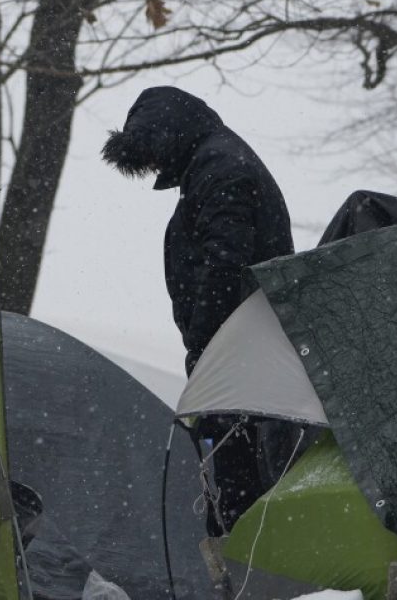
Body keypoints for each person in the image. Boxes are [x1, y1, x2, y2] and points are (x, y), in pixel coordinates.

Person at [101, 85, 294, 533]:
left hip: (235, 354)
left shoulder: (220, 168)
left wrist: (204, 343)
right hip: (238, 349)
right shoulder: (215, 162)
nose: (153, 167)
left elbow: (226, 263)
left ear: (168, 136)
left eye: (151, 154)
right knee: (234, 474)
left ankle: (245, 562)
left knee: (237, 485)